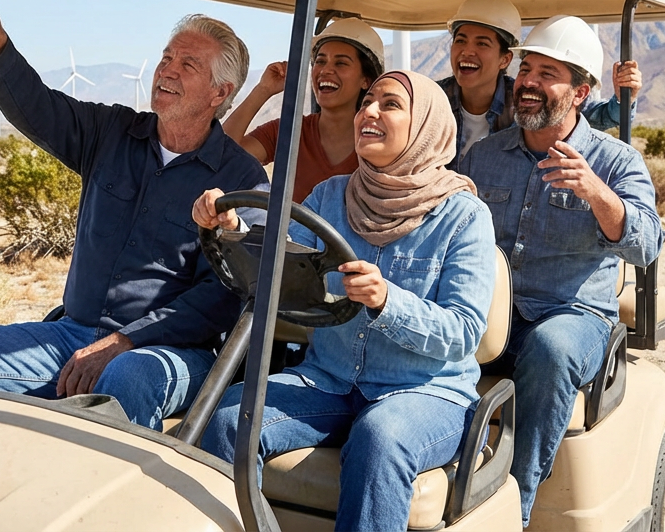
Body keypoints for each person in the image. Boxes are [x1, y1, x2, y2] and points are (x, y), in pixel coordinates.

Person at [0, 0, 268, 431]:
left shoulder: (241, 179)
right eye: (165, 58)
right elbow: (38, 107)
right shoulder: (110, 133)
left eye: (187, 65)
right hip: (71, 335)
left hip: (167, 352)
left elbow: (224, 296)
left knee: (126, 377)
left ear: (221, 92)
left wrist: (125, 340)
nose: (167, 71)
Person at [196, 70, 496, 532]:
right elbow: (280, 267)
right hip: (329, 380)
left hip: (424, 392)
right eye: (367, 102)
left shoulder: (464, 217)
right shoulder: (331, 195)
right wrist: (232, 231)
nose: (369, 112)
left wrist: (386, 301)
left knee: (381, 436)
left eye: (390, 104)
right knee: (230, 419)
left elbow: (464, 332)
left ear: (426, 128)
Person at [457, 14, 663, 527]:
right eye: (527, 69)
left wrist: (597, 194)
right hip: (493, 315)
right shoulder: (482, 158)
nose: (528, 82)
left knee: (550, 352)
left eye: (547, 73)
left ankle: (517, 510)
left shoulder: (615, 162)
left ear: (580, 92)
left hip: (569, 316)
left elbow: (646, 244)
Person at [439, 0, 644, 170]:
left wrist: (625, 96)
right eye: (460, 41)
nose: (467, 52)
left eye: (482, 44)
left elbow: (599, 114)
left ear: (505, 59)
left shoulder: (525, 100)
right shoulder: (431, 101)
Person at [222, 18, 384, 203]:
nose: (325, 70)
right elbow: (223, 157)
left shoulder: (379, 139)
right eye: (320, 61)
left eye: (341, 63)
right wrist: (264, 89)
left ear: (366, 79)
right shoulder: (290, 131)